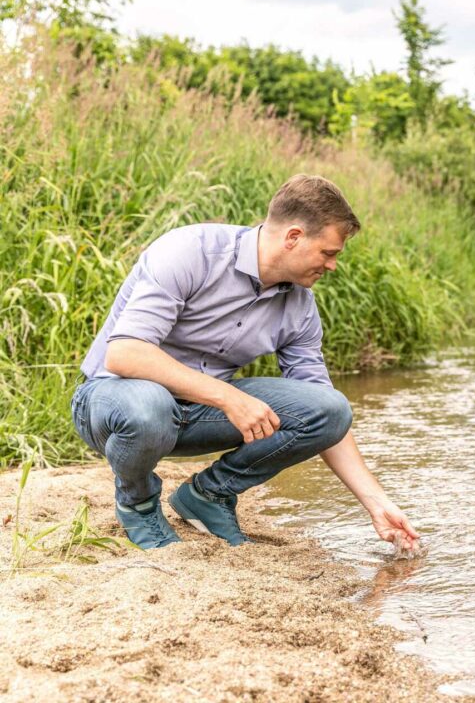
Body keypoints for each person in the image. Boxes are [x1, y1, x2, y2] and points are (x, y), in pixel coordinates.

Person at [70, 174, 420, 551]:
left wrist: (376, 503)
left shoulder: (299, 307)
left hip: (195, 416)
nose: (332, 266)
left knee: (331, 409)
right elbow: (125, 352)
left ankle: (208, 496)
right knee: (148, 406)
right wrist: (228, 398)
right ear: (294, 237)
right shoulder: (191, 251)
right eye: (329, 253)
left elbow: (326, 418)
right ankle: (137, 502)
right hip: (114, 404)